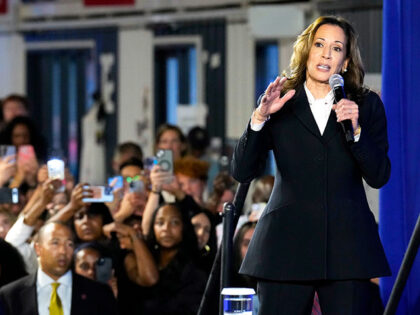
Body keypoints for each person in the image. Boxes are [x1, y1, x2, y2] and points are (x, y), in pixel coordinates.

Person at [231, 16, 391, 314]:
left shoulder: (365, 105)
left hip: (347, 248)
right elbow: (242, 171)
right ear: (307, 51)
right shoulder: (279, 100)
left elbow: (380, 175)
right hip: (285, 245)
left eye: (336, 48)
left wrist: (356, 131)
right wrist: (259, 118)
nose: (326, 54)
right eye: (319, 44)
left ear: (345, 62)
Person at [0, 221, 117, 315]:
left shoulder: (99, 293)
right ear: (38, 249)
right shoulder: (10, 295)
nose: (63, 251)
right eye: (55, 243)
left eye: (69, 244)